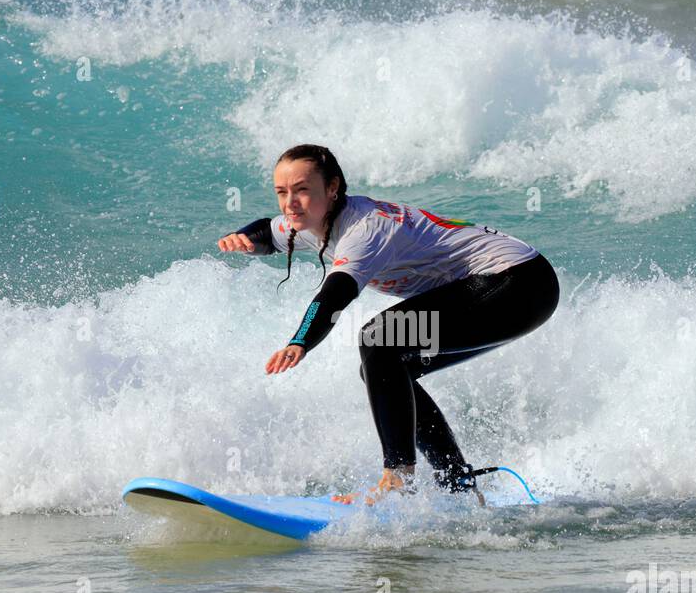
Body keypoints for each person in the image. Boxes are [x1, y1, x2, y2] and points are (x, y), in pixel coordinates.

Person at [218, 144, 559, 505]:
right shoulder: (309, 220)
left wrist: (299, 341)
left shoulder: (364, 228)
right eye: (282, 192)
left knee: (380, 341)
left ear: (332, 188)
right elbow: (267, 234)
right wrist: (245, 239)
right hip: (505, 286)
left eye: (302, 190)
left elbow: (334, 296)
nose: (290, 203)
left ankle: (398, 478)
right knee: (388, 366)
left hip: (517, 284)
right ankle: (458, 484)